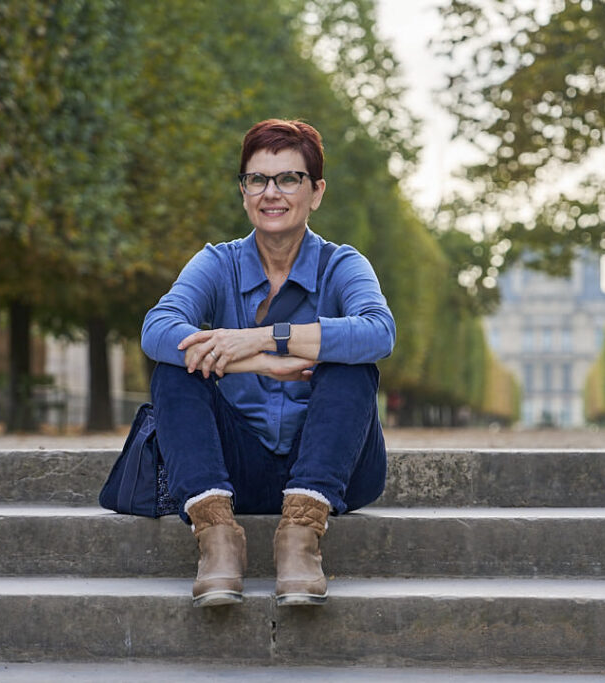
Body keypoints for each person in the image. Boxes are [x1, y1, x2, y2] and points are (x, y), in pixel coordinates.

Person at [141, 119, 395, 608]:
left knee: (349, 358)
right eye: (257, 179)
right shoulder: (217, 262)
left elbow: (379, 331)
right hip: (235, 468)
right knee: (175, 364)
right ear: (243, 192)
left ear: (316, 192)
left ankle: (301, 539)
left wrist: (265, 338)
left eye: (289, 179)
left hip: (334, 469)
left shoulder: (342, 264)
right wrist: (251, 362)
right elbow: (157, 327)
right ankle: (217, 540)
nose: (270, 193)